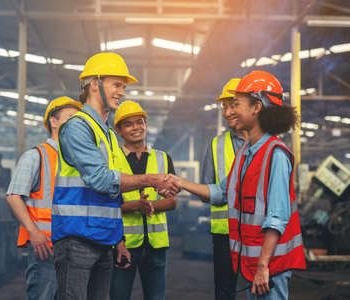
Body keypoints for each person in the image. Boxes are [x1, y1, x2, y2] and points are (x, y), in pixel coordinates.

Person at [51, 52, 181, 300]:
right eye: (117, 84)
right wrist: (152, 179)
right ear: (94, 84)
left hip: (103, 240)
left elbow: (112, 194)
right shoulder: (78, 127)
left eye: (123, 86)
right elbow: (101, 180)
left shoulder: (109, 135)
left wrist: (118, 239)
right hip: (76, 239)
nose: (122, 92)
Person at [169, 70, 306, 300]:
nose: (229, 111)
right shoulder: (245, 153)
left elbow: (278, 216)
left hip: (271, 265)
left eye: (236, 104)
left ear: (257, 107)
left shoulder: (275, 155)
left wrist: (263, 266)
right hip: (252, 264)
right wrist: (179, 182)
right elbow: (222, 192)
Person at [6, 96, 82, 300]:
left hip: (75, 246)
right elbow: (13, 196)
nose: (76, 123)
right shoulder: (35, 156)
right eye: (70, 117)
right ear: (53, 121)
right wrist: (34, 232)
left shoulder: (79, 160)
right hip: (45, 246)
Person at [110, 101, 177, 300]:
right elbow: (106, 204)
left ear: (146, 125)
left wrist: (150, 206)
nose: (136, 127)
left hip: (156, 246)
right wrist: (134, 206)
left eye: (139, 122)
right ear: (119, 131)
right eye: (128, 124)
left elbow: (172, 201)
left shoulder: (163, 158)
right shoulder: (111, 161)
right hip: (122, 244)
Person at [201, 78, 246, 300]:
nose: (227, 112)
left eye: (233, 105)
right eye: (224, 107)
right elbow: (208, 190)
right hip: (225, 234)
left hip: (260, 233)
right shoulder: (216, 145)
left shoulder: (270, 144)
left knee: (262, 288)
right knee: (225, 291)